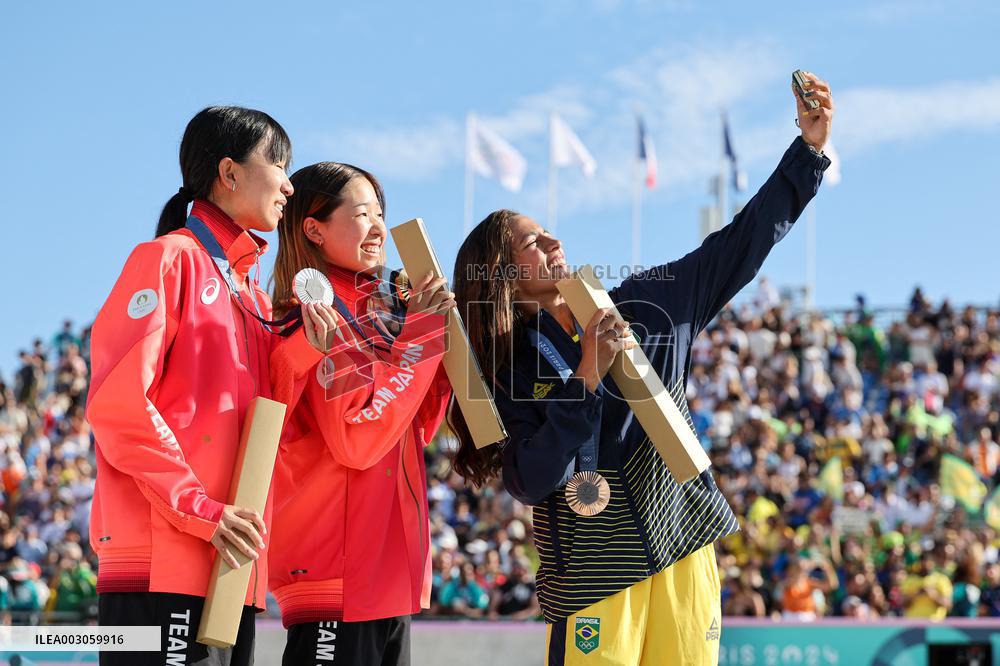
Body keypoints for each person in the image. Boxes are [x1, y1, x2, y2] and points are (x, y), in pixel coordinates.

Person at [450, 73, 834, 664]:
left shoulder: (647, 304)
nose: (551, 237)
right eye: (529, 240)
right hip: (594, 569)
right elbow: (529, 479)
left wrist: (807, 154)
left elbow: (738, 244)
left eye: (546, 229)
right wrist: (586, 374)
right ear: (502, 275)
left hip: (683, 544)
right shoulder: (505, 370)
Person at [86, 106, 325, 665]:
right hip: (160, 562)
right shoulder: (166, 259)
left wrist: (308, 347)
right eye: (279, 165)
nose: (290, 185)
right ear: (230, 172)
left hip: (229, 560)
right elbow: (118, 405)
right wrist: (200, 508)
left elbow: (268, 418)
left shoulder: (253, 294)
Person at [268, 162, 453, 665]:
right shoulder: (310, 318)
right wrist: (420, 339)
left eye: (381, 213)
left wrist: (437, 346)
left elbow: (412, 430)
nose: (378, 227)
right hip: (336, 577)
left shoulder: (381, 313)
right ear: (314, 228)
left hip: (386, 575)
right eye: (363, 213)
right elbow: (359, 437)